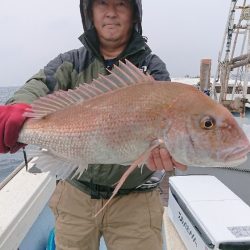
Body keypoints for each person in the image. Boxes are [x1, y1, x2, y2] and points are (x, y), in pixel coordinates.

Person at [0, 0, 186, 249]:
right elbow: (39, 85)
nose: (111, 12)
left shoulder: (150, 67)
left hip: (135, 201)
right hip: (76, 194)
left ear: (134, 14)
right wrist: (17, 107)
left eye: (121, 3)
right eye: (101, 3)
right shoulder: (71, 62)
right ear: (89, 12)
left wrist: (167, 151)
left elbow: (168, 117)